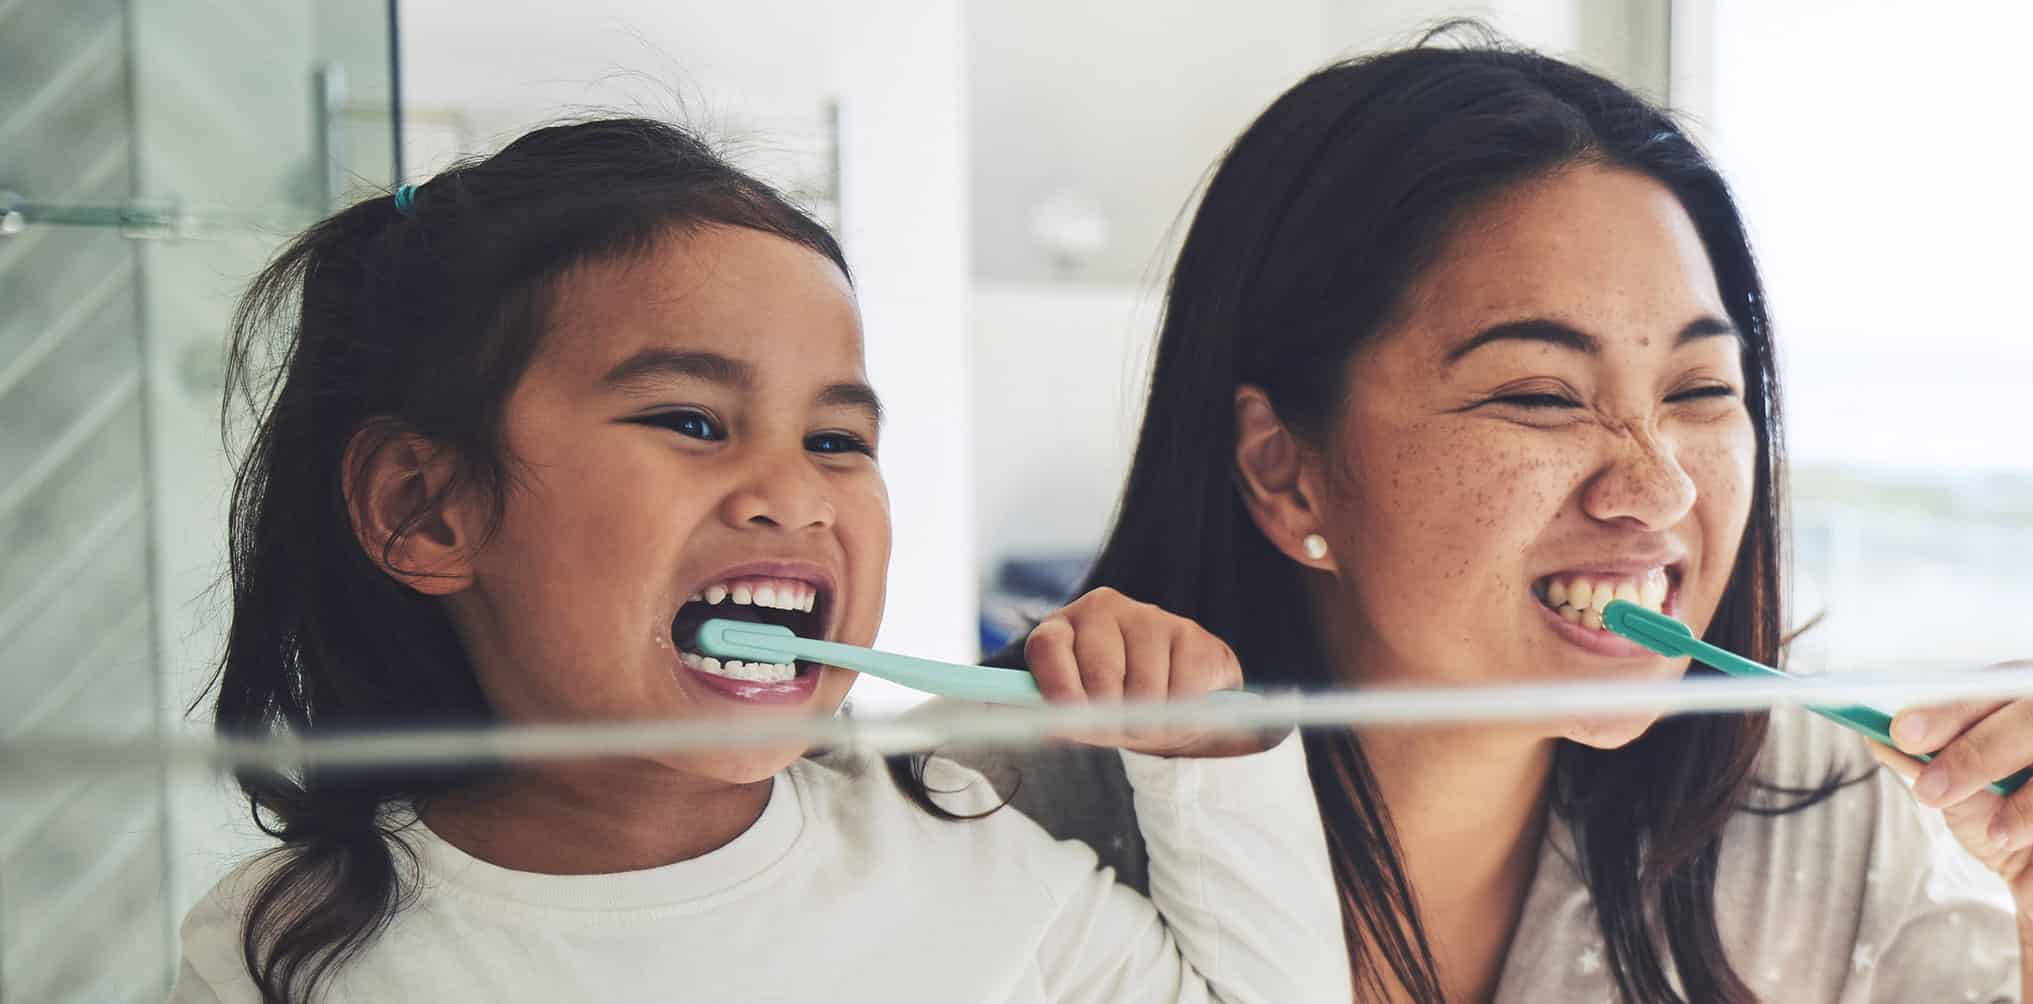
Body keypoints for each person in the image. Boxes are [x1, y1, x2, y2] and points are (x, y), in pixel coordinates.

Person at [972, 38, 2033, 1004]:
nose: (1656, 487)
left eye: (1702, 392)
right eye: (1541, 395)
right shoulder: (982, 815)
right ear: (1285, 466)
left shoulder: (1800, 803)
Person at [170, 118, 1345, 1004]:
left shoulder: (962, 860)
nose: (795, 493)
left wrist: (1215, 755)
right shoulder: (279, 951)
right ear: (426, 509)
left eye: (838, 439)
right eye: (689, 419)